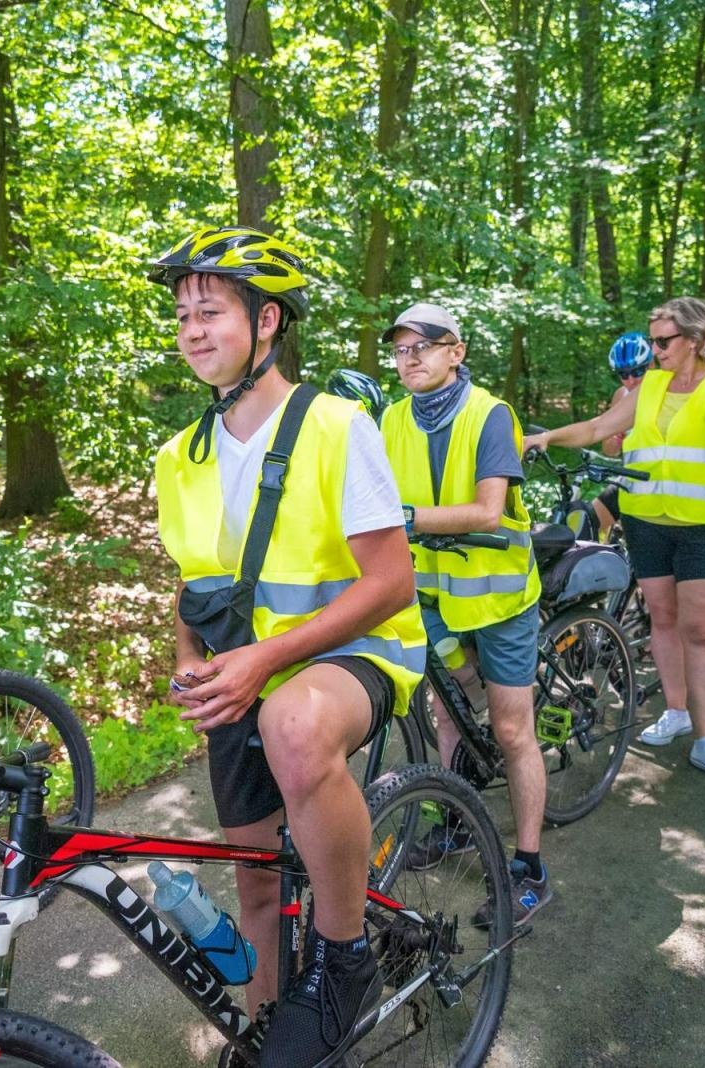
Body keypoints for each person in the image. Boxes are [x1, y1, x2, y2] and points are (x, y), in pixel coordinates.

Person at [149, 226, 425, 1066]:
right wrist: (184, 659)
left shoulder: (338, 427)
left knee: (295, 726)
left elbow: (391, 583)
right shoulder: (181, 454)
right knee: (258, 881)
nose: (193, 330)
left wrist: (267, 662)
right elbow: (195, 588)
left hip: (351, 658)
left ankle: (346, 962)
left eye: (212, 312)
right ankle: (271, 1034)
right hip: (242, 676)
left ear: (267, 322)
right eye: (183, 316)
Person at [523, 297, 705, 788]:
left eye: (664, 341)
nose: (654, 350)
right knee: (664, 621)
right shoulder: (649, 385)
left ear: (694, 340)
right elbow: (599, 428)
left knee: (701, 631)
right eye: (652, 340)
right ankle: (676, 711)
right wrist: (545, 439)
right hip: (647, 520)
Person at [378, 302, 551, 921]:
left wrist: (403, 520)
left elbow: (486, 511)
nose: (410, 359)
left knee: (511, 731)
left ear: (457, 352)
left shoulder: (490, 414)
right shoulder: (390, 419)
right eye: (400, 350)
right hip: (431, 596)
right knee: (446, 716)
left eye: (423, 346)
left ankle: (529, 867)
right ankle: (453, 821)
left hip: (499, 597)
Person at [590, 332, 654, 536]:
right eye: (623, 374)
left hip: (659, 486)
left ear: (652, 364)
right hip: (629, 479)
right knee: (586, 523)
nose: (631, 380)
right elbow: (609, 450)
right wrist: (615, 436)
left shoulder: (671, 390)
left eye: (637, 371)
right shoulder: (621, 395)